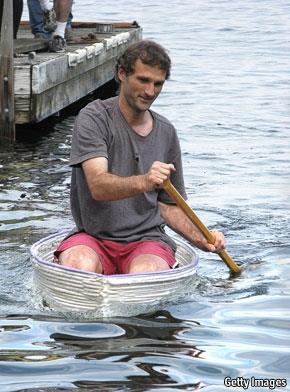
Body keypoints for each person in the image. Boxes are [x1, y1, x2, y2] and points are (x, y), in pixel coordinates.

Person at [54, 40, 226, 275]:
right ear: (122, 74)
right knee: (79, 264)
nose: (150, 92)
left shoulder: (166, 132)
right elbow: (98, 186)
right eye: (143, 80)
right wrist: (145, 181)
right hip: (93, 238)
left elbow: (168, 206)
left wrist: (202, 239)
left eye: (158, 84)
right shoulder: (94, 117)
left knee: (145, 272)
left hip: (147, 241)